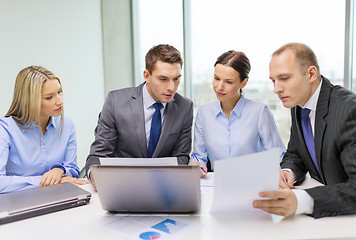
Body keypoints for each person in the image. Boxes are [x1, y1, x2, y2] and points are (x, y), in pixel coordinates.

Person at [253, 43, 356, 218]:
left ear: (311, 74)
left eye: (284, 78)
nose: (276, 88)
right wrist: (288, 173)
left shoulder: (348, 110)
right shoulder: (299, 104)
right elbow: (296, 154)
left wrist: (301, 200)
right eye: (273, 80)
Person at [85, 44, 193, 187]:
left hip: (163, 188)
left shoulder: (184, 107)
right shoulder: (115, 102)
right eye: (163, 79)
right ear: (147, 76)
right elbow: (97, 155)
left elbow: (181, 157)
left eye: (176, 79)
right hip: (121, 186)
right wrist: (95, 175)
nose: (171, 87)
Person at [191, 50, 285, 178]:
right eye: (216, 78)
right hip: (217, 186)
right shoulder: (204, 113)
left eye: (228, 82)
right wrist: (196, 164)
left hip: (253, 183)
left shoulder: (260, 111)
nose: (219, 87)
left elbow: (278, 155)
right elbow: (198, 155)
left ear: (243, 83)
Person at [0, 66, 86, 194]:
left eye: (59, 92)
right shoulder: (5, 129)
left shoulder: (67, 126)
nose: (60, 101)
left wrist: (59, 171)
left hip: (59, 197)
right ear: (29, 100)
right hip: (19, 202)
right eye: (49, 97)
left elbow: (72, 168)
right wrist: (47, 182)